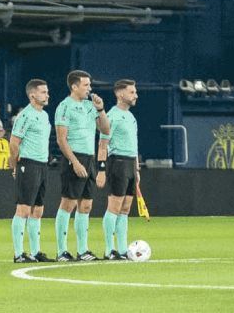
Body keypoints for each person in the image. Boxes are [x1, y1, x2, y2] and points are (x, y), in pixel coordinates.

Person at [52, 70, 106, 262]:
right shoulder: (64, 107)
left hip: (90, 158)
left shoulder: (90, 106)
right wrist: (74, 162)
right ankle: (61, 251)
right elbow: (61, 139)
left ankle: (83, 250)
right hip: (74, 159)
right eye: (86, 85)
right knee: (68, 203)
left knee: (86, 205)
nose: (89, 88)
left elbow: (105, 130)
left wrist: (100, 109)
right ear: (74, 86)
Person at [97, 80, 142, 260]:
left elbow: (134, 145)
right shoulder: (111, 116)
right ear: (120, 94)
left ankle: (123, 250)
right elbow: (102, 144)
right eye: (132, 92)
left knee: (125, 208)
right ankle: (109, 249)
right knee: (114, 207)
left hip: (130, 163)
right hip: (118, 162)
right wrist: (101, 168)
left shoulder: (131, 117)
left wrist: (137, 169)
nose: (135, 95)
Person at [9, 79, 53, 263]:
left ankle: (35, 252)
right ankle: (19, 254)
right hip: (28, 164)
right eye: (43, 92)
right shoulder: (25, 116)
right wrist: (14, 166)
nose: (47, 95)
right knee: (24, 209)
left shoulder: (44, 115)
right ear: (32, 95)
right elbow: (13, 142)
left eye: (47, 91)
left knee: (38, 210)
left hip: (42, 165)